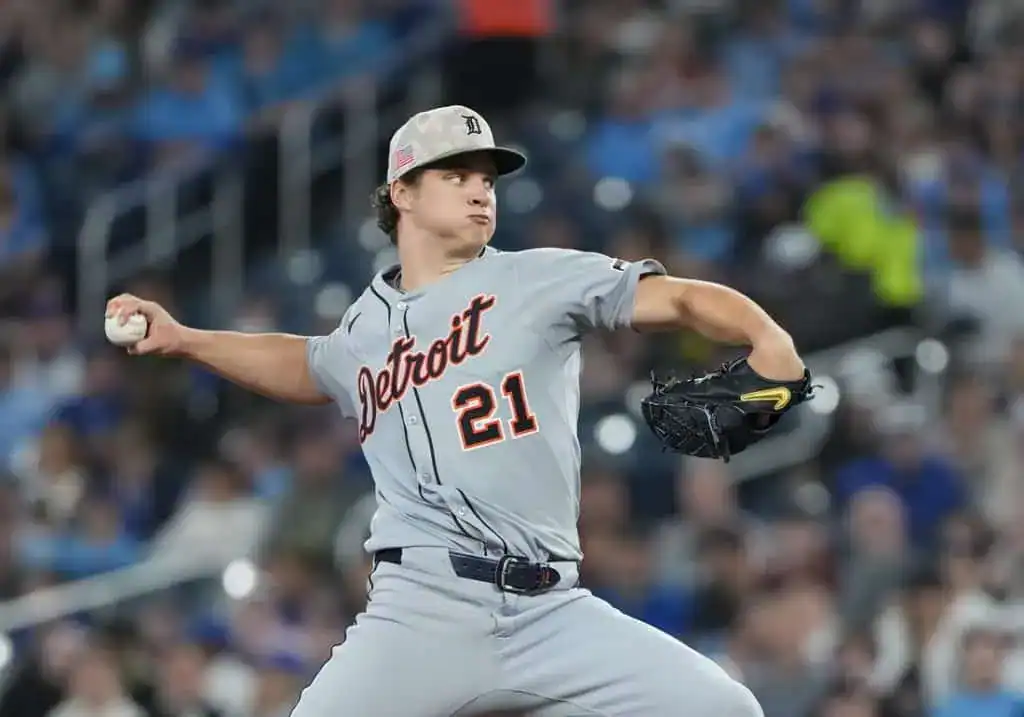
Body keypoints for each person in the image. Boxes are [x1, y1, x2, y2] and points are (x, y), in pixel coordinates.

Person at [107, 104, 805, 716]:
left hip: (549, 608)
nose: (480, 192)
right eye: (456, 175)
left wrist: (767, 336)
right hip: (423, 610)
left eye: (487, 178)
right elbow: (307, 363)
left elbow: (679, 298)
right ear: (402, 193)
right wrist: (187, 339)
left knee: (722, 706)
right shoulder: (364, 329)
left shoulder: (537, 277)